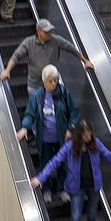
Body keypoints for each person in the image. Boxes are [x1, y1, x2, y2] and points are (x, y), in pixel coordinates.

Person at [16, 64, 80, 203]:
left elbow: (74, 112)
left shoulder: (64, 93)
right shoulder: (37, 96)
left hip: (61, 137)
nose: (53, 83)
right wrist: (25, 127)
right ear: (44, 82)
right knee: (45, 163)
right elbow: (30, 114)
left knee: (63, 163)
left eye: (55, 80)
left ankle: (62, 189)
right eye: (50, 81)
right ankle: (47, 190)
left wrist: (70, 128)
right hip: (44, 138)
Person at [1, 19, 95, 94]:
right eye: (46, 32)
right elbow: (16, 56)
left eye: (50, 31)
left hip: (52, 86)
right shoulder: (28, 42)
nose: (49, 34)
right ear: (38, 32)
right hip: (35, 86)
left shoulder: (56, 40)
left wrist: (85, 61)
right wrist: (7, 71)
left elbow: (71, 48)